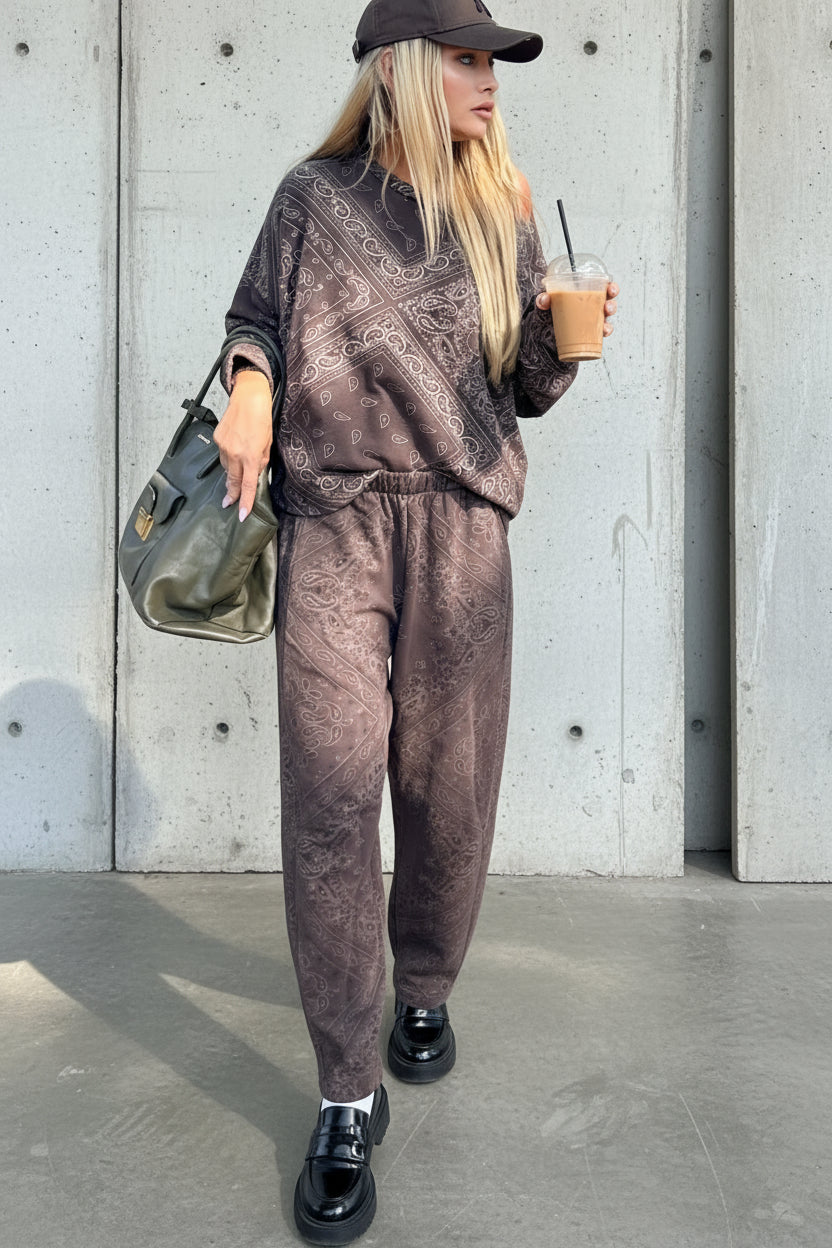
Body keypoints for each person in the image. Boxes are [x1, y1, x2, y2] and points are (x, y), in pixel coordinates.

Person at [215, 1, 619, 1242]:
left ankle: (426, 981)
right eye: (465, 58)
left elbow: (524, 390)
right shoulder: (311, 197)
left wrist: (564, 337)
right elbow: (254, 321)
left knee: (448, 789)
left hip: (460, 526)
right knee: (331, 799)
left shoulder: (501, 204)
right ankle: (346, 1092)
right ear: (398, 69)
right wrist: (248, 390)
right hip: (335, 523)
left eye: (493, 61)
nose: (489, 80)